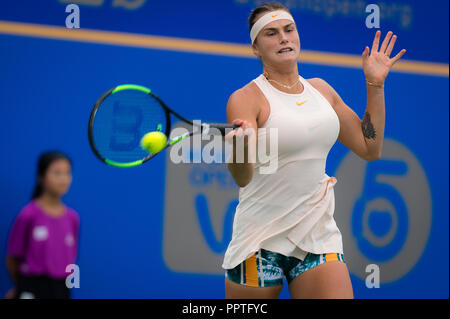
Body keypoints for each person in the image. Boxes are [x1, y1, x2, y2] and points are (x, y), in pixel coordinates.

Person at [222, 2, 406, 299]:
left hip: (316, 234)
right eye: (271, 33)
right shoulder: (246, 98)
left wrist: (375, 84)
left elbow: (369, 148)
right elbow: (242, 177)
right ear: (256, 47)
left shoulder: (322, 90)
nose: (283, 38)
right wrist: (240, 148)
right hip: (259, 239)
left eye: (289, 29)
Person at [5, 151, 79, 299]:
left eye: (67, 173)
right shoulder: (28, 215)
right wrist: (21, 288)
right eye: (57, 173)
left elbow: (70, 259)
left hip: (61, 289)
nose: (63, 179)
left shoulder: (73, 218)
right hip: (31, 286)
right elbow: (12, 259)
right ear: (41, 177)